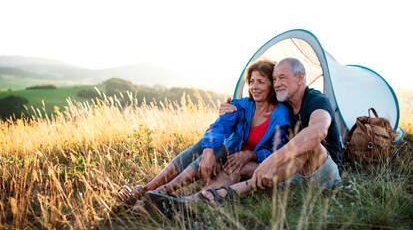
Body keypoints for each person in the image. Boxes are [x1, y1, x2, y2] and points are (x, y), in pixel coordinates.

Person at [147, 57, 342, 206]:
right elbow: (221, 127)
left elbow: (317, 132)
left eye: (282, 78)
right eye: (274, 79)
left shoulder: (316, 100)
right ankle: (191, 201)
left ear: (300, 79)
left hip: (322, 174)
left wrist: (269, 161)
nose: (277, 83)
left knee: (308, 143)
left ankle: (229, 192)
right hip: (289, 174)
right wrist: (224, 119)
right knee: (232, 162)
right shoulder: (284, 105)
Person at [118, 60, 291, 205]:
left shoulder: (281, 115)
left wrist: (251, 155)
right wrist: (208, 152)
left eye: (260, 81)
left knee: (222, 150)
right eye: (251, 81)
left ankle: (167, 195)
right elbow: (218, 128)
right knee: (209, 146)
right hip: (228, 157)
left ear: (272, 84)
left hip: (253, 166)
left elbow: (278, 153)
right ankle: (149, 189)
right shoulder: (242, 105)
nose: (254, 87)